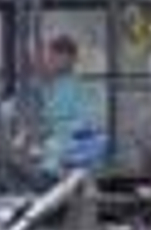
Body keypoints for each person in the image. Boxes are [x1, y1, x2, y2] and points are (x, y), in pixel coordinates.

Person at [34, 34, 105, 176]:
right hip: (50, 158)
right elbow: (44, 119)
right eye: (49, 57)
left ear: (70, 59)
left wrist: (49, 133)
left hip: (68, 162)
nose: (49, 61)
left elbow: (90, 124)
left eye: (54, 56)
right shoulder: (47, 87)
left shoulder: (81, 89)